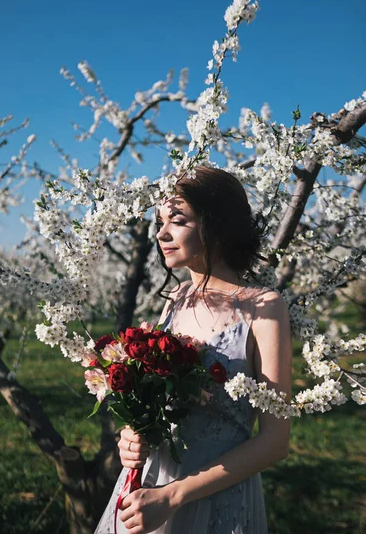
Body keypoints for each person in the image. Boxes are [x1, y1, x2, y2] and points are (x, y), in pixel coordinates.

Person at [95, 166, 292, 534]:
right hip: (148, 489)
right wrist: (132, 436)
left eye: (178, 219)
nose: (161, 233)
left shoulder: (264, 307)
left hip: (213, 496)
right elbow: (158, 400)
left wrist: (174, 496)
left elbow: (275, 441)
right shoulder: (176, 300)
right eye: (159, 221)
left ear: (214, 224)